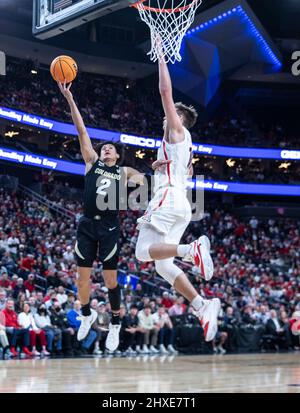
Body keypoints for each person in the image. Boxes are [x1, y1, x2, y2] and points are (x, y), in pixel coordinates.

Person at [135, 53, 220, 342]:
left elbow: (165, 91)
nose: (166, 115)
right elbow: (183, 169)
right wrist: (158, 167)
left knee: (142, 252)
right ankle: (201, 304)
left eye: (172, 113)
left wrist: (161, 58)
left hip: (169, 198)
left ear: (180, 117)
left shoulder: (177, 129)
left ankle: (191, 250)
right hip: (181, 202)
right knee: (161, 264)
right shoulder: (185, 145)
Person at [58, 81, 145, 352]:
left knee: (110, 281)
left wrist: (144, 183)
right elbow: (81, 129)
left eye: (110, 148)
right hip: (86, 225)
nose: (105, 149)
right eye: (103, 147)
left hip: (109, 227)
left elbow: (143, 182)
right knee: (81, 279)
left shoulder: (124, 171)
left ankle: (116, 323)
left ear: (117, 155)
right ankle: (86, 314)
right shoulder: (91, 163)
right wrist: (70, 99)